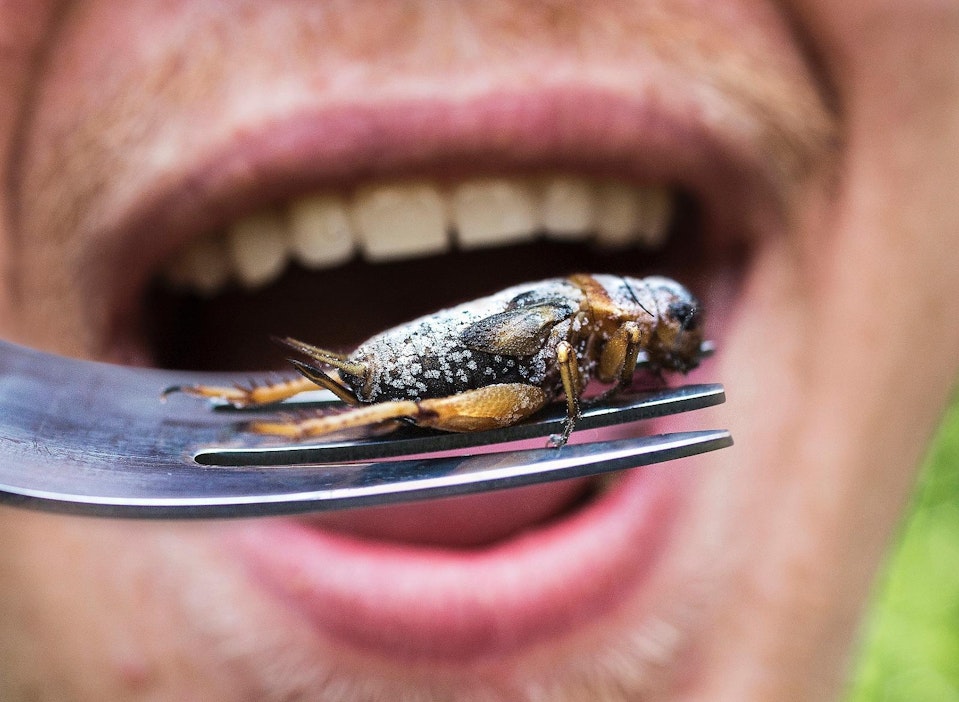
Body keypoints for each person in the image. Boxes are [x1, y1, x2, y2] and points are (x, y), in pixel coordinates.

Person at [1, 1, 957, 700]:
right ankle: (291, 417)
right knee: (402, 400)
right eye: (662, 343)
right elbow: (556, 368)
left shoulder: (614, 323)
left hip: (487, 363)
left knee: (393, 399)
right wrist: (567, 409)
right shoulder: (584, 326)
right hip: (447, 364)